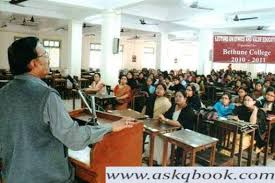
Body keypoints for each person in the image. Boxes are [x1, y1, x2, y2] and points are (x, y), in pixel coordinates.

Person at [0, 37, 134, 183]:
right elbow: (73, 139)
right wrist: (110, 127)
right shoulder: (46, 95)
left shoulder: (3, 92)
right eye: (45, 55)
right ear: (34, 63)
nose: (49, 59)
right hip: (46, 177)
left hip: (13, 175)